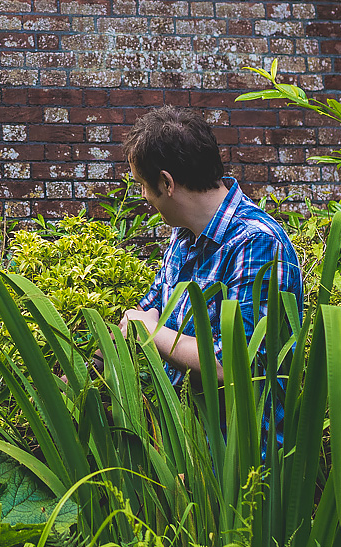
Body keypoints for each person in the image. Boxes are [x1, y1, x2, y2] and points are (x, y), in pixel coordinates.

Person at [117, 105, 304, 387]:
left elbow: (232, 362)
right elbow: (148, 310)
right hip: (180, 427)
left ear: (166, 183)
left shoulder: (257, 242)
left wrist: (149, 330)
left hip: (237, 430)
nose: (143, 196)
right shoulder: (184, 234)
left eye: (142, 184)